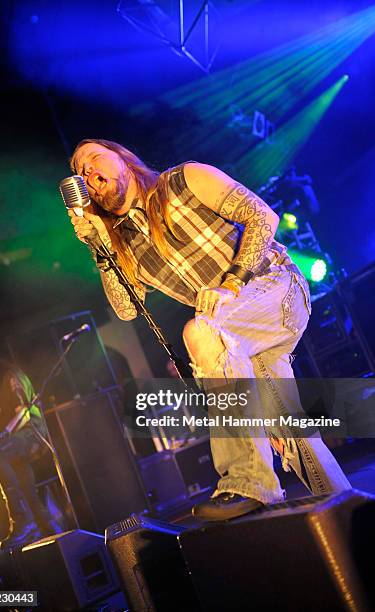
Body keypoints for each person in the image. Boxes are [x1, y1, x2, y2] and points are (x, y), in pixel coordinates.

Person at [67, 138, 351, 521]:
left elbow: (263, 216)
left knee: (198, 333)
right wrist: (99, 246)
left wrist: (231, 283)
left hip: (276, 289)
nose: (88, 172)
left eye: (94, 159)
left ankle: (250, 480)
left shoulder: (184, 180)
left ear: (123, 159)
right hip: (238, 338)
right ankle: (351, 515)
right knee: (290, 431)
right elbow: (126, 309)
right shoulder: (125, 243)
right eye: (80, 173)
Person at [0, 347, 60, 549]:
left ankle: (20, 519)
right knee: (27, 489)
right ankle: (50, 533)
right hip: (13, 441)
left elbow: (24, 414)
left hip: (32, 433)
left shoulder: (12, 376)